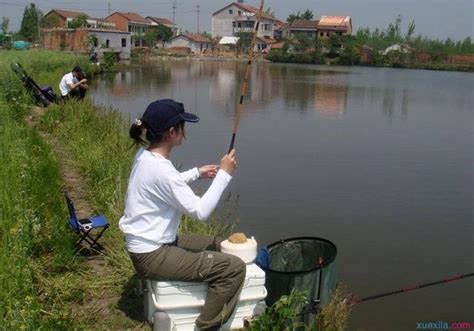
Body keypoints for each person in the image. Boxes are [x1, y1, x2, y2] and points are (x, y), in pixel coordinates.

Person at [119, 99, 246, 330]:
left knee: (218, 244)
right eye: (182, 126)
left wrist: (196, 173)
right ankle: (206, 326)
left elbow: (166, 184)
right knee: (233, 268)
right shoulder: (161, 170)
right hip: (152, 254)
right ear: (171, 132)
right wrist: (224, 175)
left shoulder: (145, 155)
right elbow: (200, 211)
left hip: (151, 245)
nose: (185, 131)